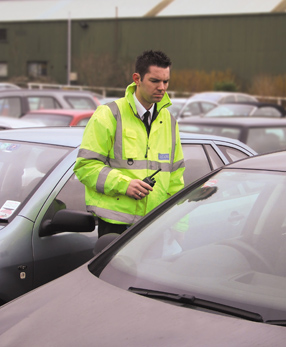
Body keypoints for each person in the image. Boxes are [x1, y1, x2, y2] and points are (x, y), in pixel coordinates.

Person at [74, 50, 185, 238]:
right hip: (115, 227)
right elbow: (86, 167)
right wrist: (125, 185)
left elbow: (176, 180)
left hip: (155, 227)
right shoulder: (109, 115)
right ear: (137, 79)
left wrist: (180, 227)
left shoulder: (169, 121)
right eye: (155, 81)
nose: (162, 87)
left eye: (166, 81)